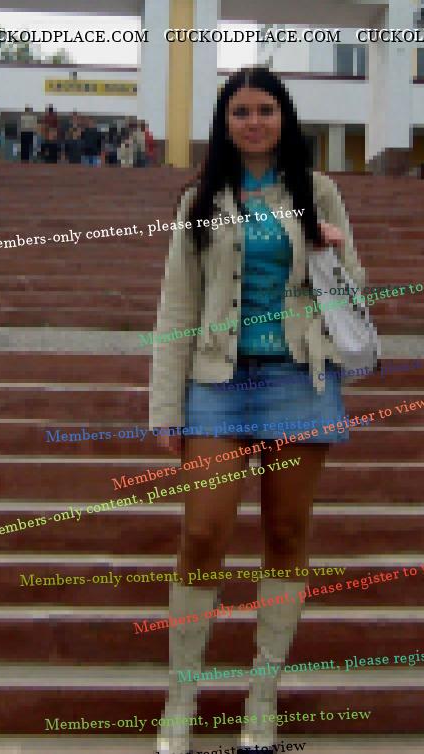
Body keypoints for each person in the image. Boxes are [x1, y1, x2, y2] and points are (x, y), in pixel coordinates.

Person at [151, 65, 367, 754]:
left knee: (286, 534)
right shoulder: (200, 198)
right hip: (216, 384)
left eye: (265, 110)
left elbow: (356, 288)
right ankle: (181, 698)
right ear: (225, 121)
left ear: (284, 118)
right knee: (202, 535)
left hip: (299, 384)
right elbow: (177, 304)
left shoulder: (318, 190)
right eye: (241, 111)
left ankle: (262, 698)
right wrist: (166, 405)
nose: (253, 122)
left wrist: (332, 252)